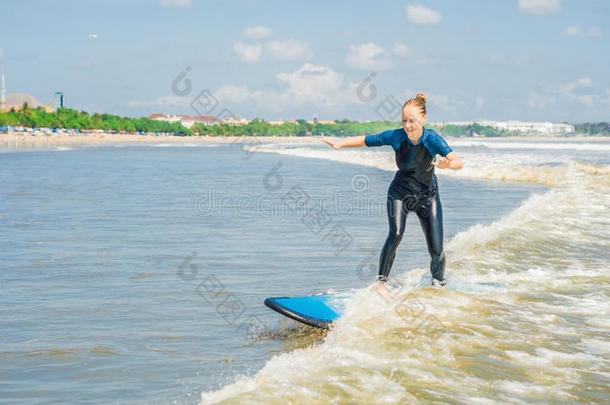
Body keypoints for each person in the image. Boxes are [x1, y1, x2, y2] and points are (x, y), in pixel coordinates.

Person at [321, 93, 463, 286]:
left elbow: (457, 161)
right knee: (395, 234)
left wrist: (448, 165)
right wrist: (340, 144)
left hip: (428, 198)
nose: (407, 125)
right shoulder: (397, 136)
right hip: (400, 194)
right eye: (404, 120)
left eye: (412, 120)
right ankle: (381, 283)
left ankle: (438, 284)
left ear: (423, 119)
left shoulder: (433, 140)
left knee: (437, 250)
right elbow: (367, 140)